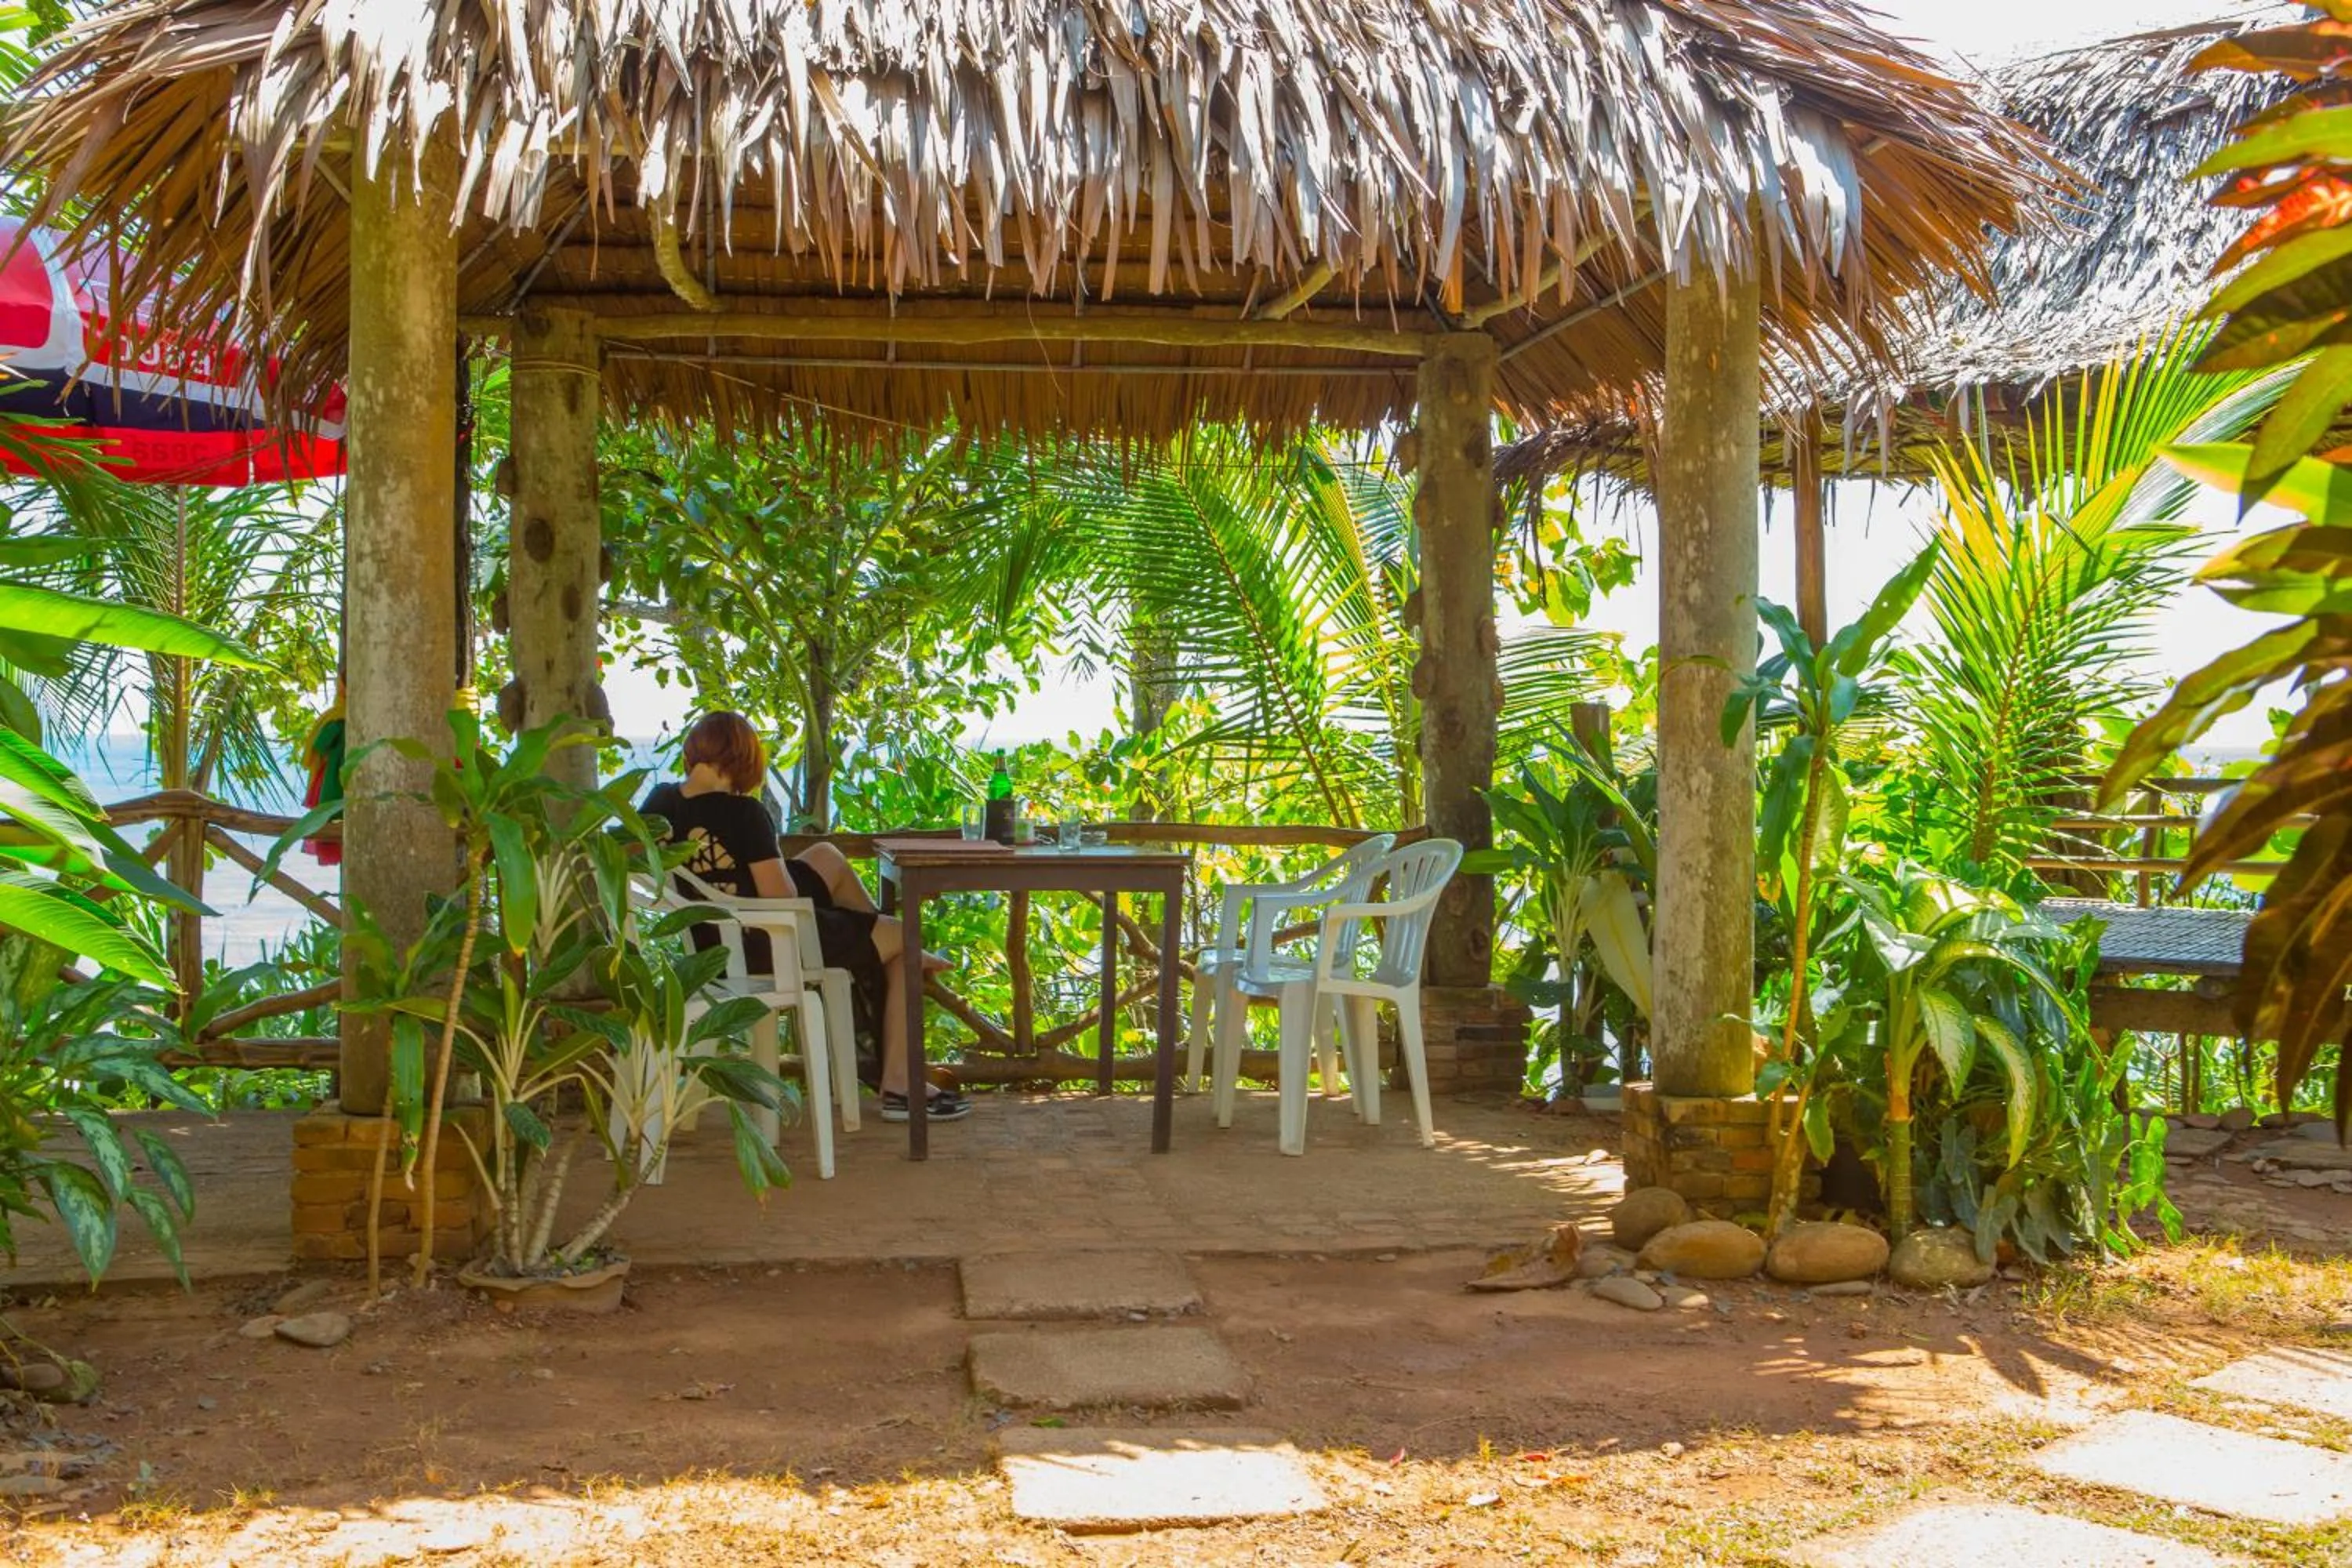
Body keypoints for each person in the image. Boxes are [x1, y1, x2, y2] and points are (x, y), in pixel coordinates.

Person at [640, 711, 971, 1123]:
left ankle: (871, 947)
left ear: (694, 753)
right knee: (904, 939)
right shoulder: (744, 814)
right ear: (745, 758)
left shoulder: (660, 803)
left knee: (827, 857)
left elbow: (643, 864)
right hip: (766, 944)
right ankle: (900, 1083)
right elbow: (781, 900)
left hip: (708, 944)